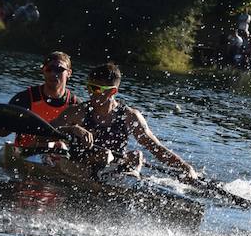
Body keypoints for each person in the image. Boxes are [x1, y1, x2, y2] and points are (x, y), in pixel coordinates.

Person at [53, 62, 198, 179]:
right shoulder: (78, 112)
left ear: (112, 91)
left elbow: (155, 147)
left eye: (95, 89)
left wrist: (185, 167)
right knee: (104, 155)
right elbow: (45, 130)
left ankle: (129, 180)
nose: (90, 93)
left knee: (136, 155)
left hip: (111, 168)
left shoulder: (129, 116)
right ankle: (114, 179)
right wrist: (72, 129)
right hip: (79, 165)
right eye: (89, 87)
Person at [0, 50, 79, 152]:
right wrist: (14, 123)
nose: (53, 73)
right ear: (43, 71)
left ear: (69, 73)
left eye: (59, 69)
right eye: (49, 69)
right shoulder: (25, 99)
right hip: (24, 152)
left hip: (59, 155)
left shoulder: (75, 104)